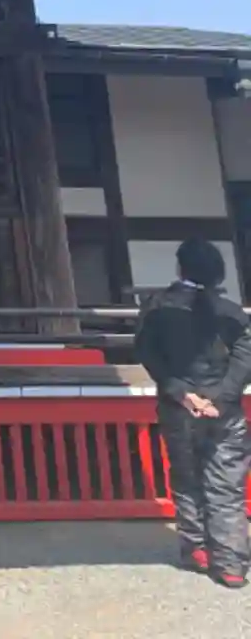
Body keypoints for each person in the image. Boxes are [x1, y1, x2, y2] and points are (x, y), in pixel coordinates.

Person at [137, 238, 251, 588]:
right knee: (226, 484)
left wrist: (182, 393)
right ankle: (231, 563)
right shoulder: (231, 311)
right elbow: (245, 355)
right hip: (224, 409)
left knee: (187, 477)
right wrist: (222, 395)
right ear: (219, 272)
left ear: (180, 268)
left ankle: (197, 547)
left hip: (179, 406)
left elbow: (148, 352)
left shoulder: (157, 308)